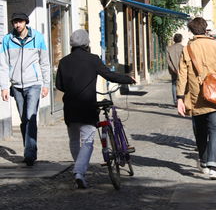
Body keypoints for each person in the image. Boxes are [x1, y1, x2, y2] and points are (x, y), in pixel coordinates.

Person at [56, 29, 135, 189]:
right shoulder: (93, 59)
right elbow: (109, 75)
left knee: (73, 140)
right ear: (86, 43)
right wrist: (127, 79)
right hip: (87, 107)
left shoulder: (64, 61)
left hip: (70, 107)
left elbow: (59, 85)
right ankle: (79, 171)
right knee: (88, 141)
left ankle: (79, 170)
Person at [176, 17, 216, 180]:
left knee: (200, 130)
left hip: (195, 97)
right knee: (215, 129)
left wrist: (180, 97)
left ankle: (203, 161)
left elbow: (182, 76)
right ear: (205, 29)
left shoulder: (187, 49)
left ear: (191, 31)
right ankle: (212, 164)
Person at [0, 12, 50, 166]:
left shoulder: (38, 38)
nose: (17, 25)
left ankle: (29, 153)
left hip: (34, 84)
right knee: (24, 119)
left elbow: (45, 63)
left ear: (26, 22)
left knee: (31, 116)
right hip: (16, 85)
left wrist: (46, 84)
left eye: (20, 21)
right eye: (15, 22)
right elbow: (3, 66)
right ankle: (29, 148)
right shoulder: (7, 40)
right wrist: (4, 87)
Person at [166, 33, 184, 105]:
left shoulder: (169, 48)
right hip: (182, 69)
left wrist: (173, 69)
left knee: (174, 84)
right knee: (183, 84)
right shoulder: (184, 48)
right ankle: (182, 99)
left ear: (174, 39)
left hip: (173, 70)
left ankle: (175, 101)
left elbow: (168, 60)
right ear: (181, 39)